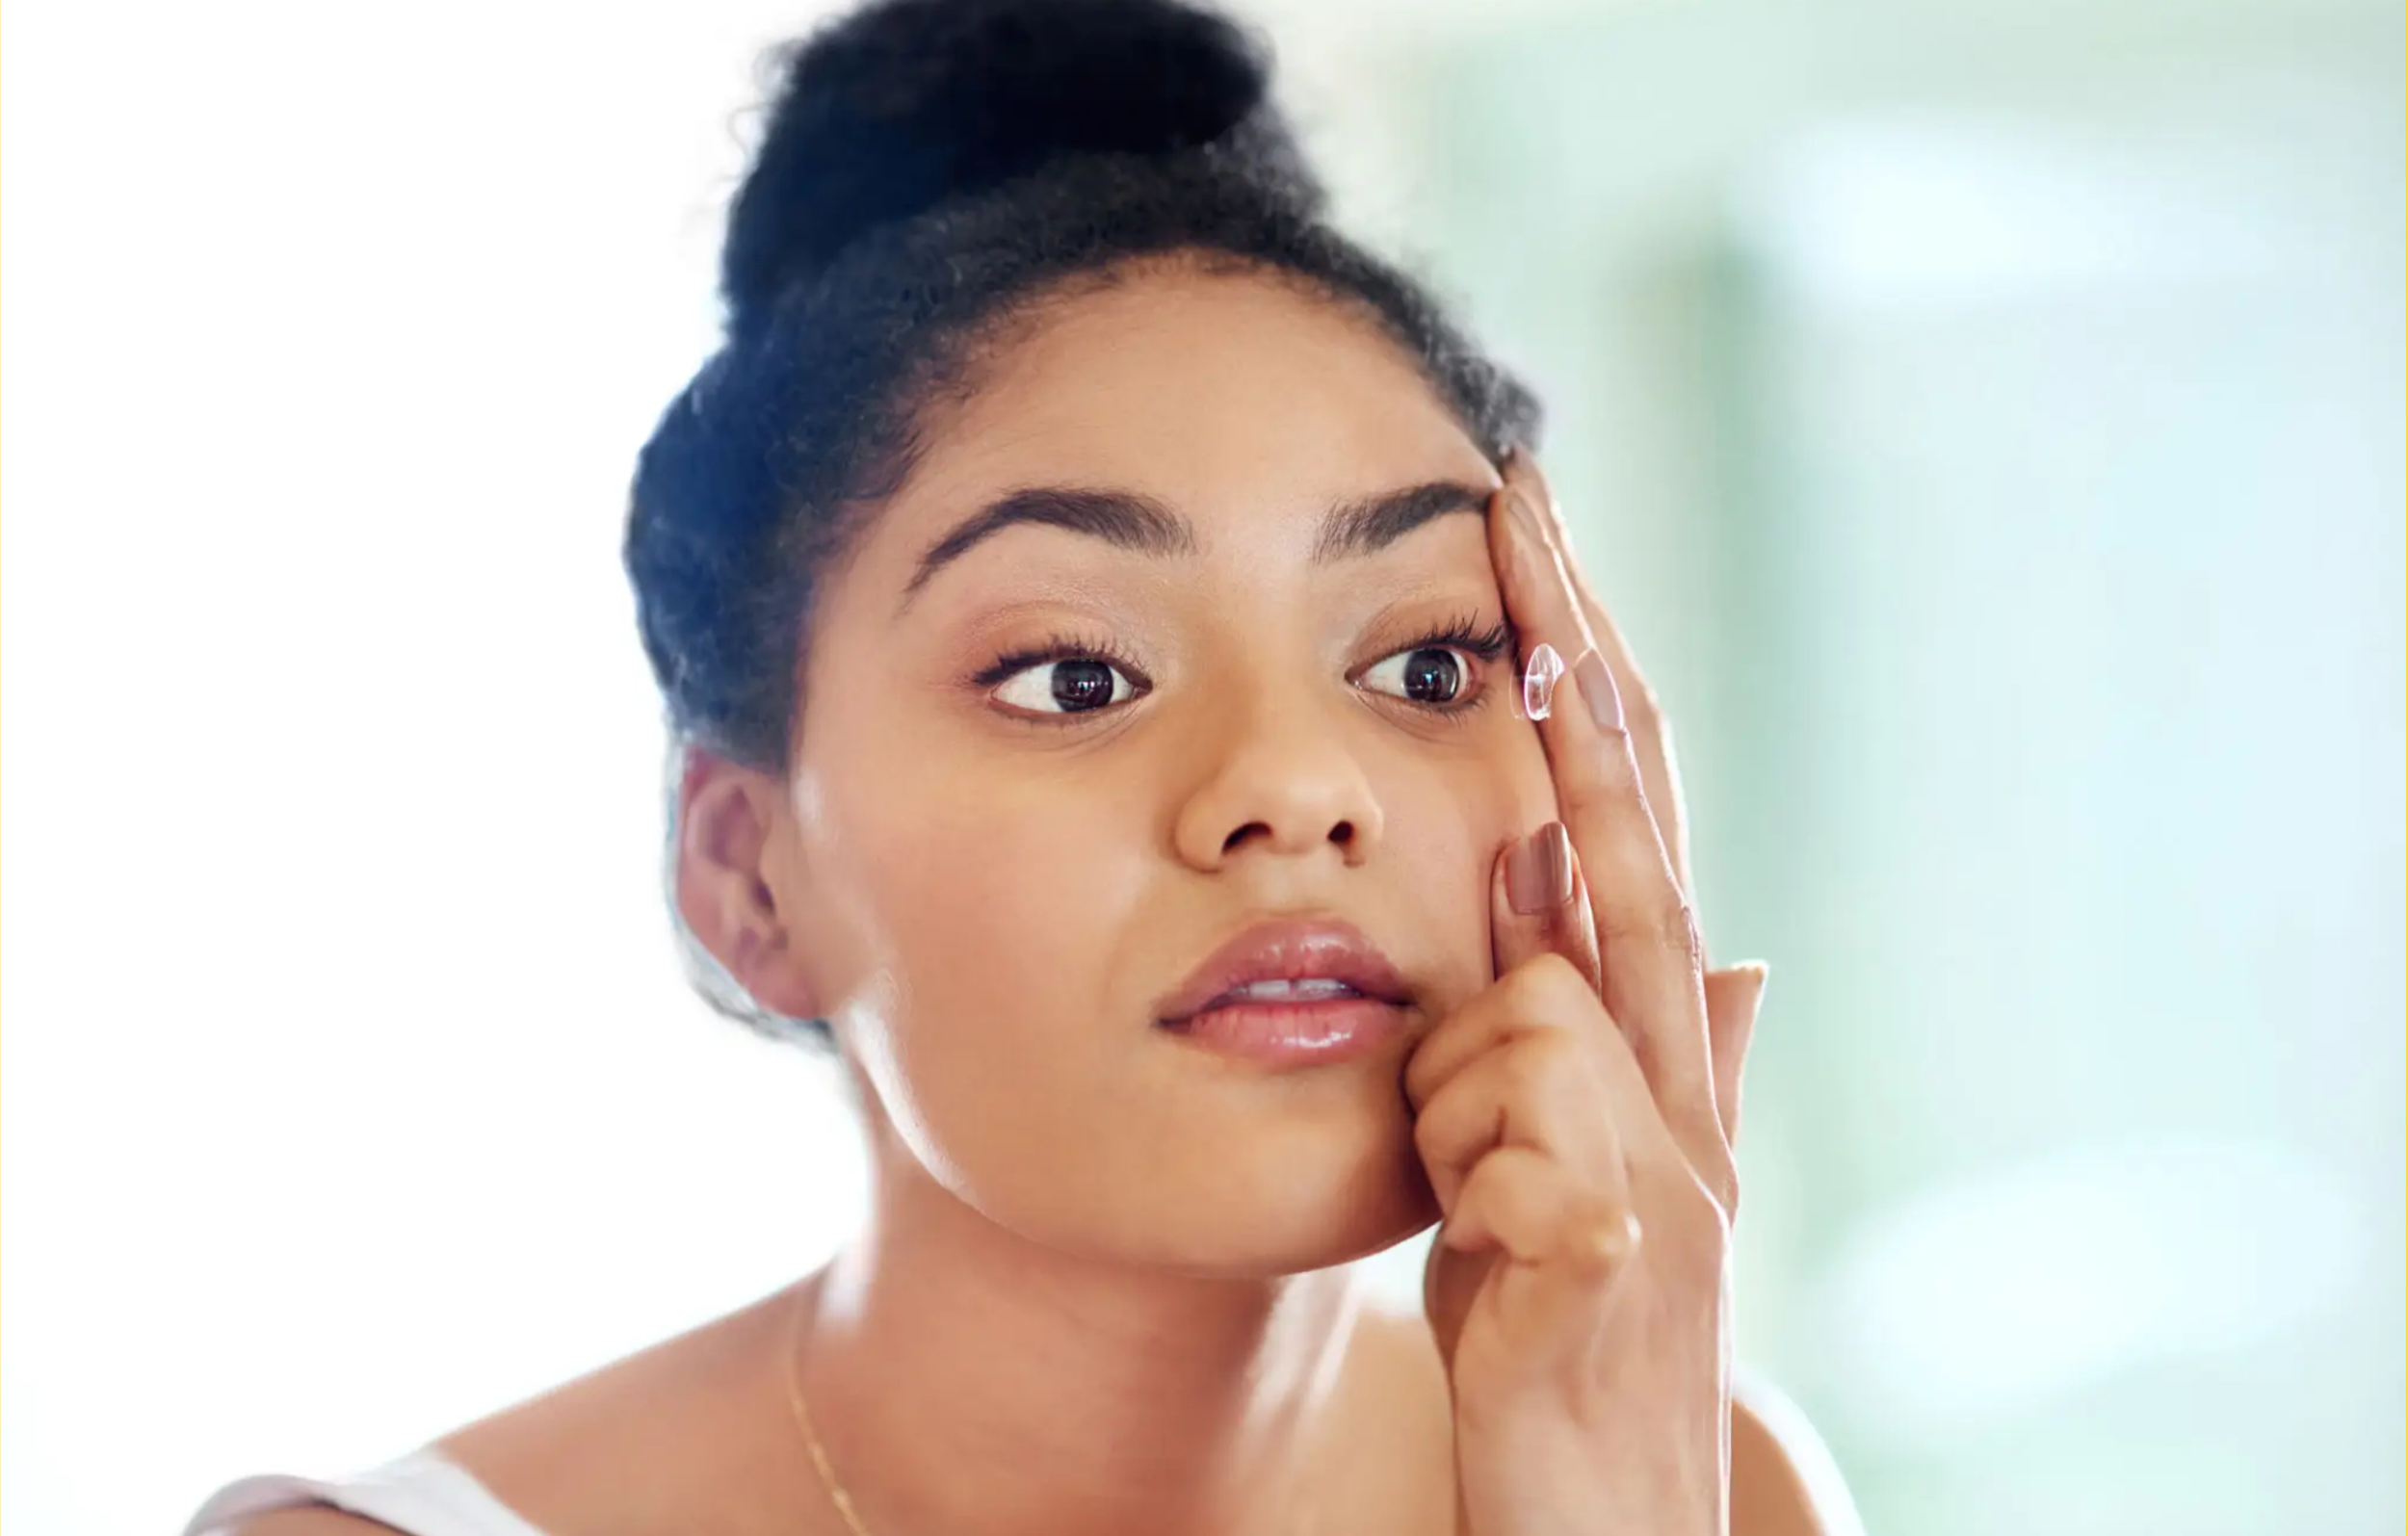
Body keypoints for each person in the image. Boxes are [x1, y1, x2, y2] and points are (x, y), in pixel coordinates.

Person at [187, 0, 1860, 1531]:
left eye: (1427, 664)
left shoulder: (1714, 1476)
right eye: (1075, 674)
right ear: (749, 875)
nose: (1296, 781)